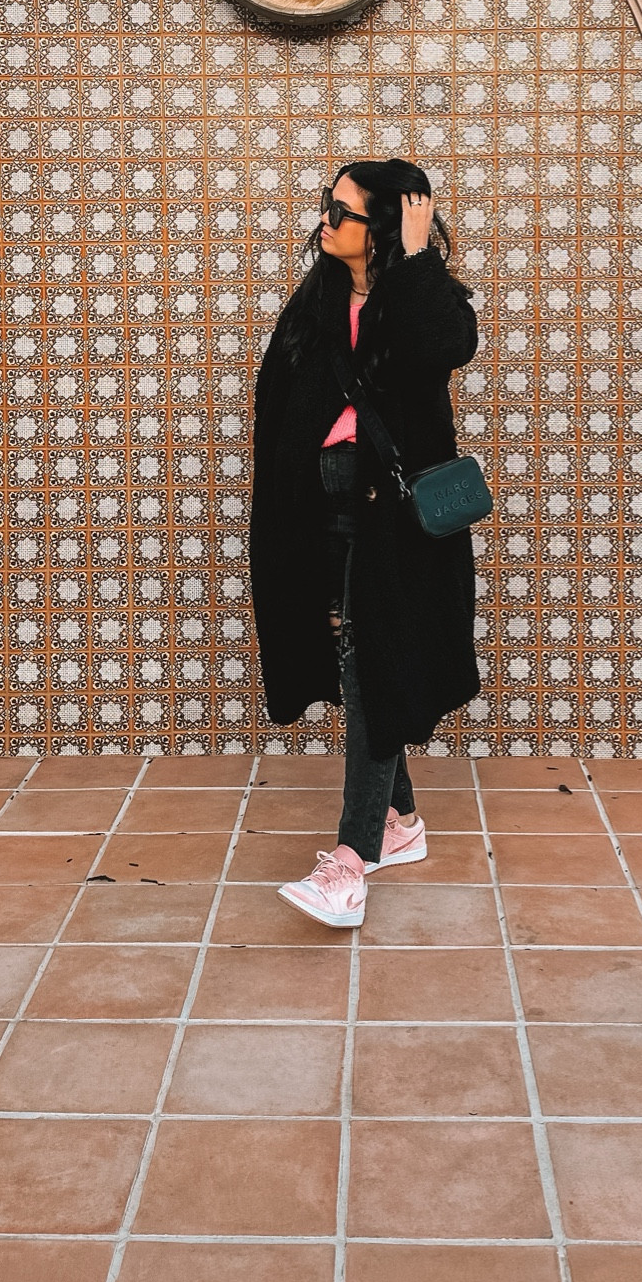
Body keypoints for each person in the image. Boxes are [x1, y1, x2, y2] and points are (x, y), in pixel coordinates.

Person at [249, 158, 480, 928]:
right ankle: (400, 821)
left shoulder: (421, 296)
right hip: (324, 499)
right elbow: (280, 398)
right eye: (326, 205)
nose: (325, 220)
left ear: (380, 229)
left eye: (342, 212)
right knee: (359, 654)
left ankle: (349, 862)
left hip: (394, 510)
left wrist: (416, 260)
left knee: (370, 654)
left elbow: (444, 347)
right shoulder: (315, 300)